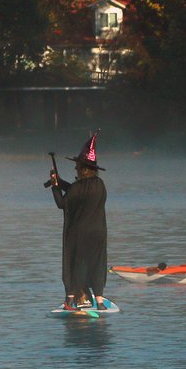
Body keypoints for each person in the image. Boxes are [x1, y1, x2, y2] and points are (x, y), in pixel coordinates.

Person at [48, 132, 108, 310]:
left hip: (80, 234)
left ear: (82, 168)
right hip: (99, 233)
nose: (75, 169)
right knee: (97, 263)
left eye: (77, 166)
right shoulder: (100, 184)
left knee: (76, 263)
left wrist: (54, 187)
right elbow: (78, 192)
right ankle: (100, 302)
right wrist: (61, 183)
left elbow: (63, 203)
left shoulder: (78, 188)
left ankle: (70, 300)